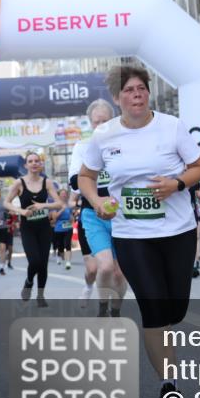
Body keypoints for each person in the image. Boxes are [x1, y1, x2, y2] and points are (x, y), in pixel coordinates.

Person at [79, 64, 200, 398]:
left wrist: (176, 184)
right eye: (129, 91)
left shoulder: (171, 127)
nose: (136, 95)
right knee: (153, 308)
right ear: (117, 98)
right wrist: (97, 202)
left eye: (141, 89)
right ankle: (170, 387)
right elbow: (86, 176)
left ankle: (166, 331)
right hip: (132, 234)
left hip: (177, 232)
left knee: (174, 309)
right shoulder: (104, 135)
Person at [69, 98, 127, 314]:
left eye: (106, 120)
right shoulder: (83, 146)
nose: (101, 125)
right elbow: (75, 181)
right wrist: (95, 195)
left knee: (121, 273)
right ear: (90, 123)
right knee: (104, 266)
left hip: (122, 214)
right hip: (93, 213)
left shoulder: (125, 144)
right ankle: (103, 307)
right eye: (96, 122)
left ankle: (116, 309)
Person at [4, 152, 63, 302]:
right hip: (28, 228)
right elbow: (6, 202)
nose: (34, 163)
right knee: (35, 261)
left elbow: (59, 203)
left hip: (44, 227)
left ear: (41, 164)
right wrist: (21, 211)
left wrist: (43, 205)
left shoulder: (47, 182)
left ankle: (40, 296)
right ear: (26, 165)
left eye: (37, 161)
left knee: (43, 264)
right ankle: (29, 282)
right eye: (31, 161)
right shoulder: (19, 183)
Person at [50, 190, 73, 269]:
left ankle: (68, 262)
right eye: (62, 194)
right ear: (58, 195)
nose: (64, 195)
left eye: (65, 194)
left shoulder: (69, 205)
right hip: (59, 228)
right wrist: (62, 209)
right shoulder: (55, 205)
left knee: (67, 244)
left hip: (68, 227)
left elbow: (71, 218)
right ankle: (59, 255)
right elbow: (54, 217)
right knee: (60, 246)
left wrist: (71, 217)